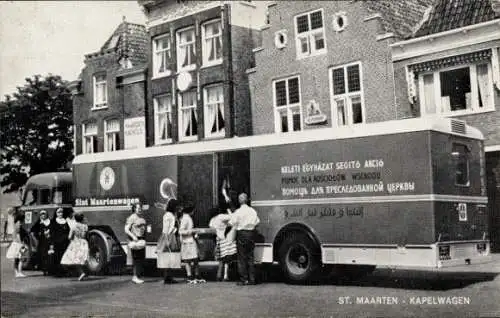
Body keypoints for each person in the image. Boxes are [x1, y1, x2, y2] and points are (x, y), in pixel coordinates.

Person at [229, 193, 260, 285]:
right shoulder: (252, 211)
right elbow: (257, 222)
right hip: (251, 234)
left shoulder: (238, 212)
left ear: (239, 201)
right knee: (250, 257)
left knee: (241, 258)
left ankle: (244, 279)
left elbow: (232, 223)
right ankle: (252, 279)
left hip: (241, 234)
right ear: (247, 200)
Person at [156, 199, 181, 284]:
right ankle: (167, 277)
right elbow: (166, 229)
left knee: (170, 257)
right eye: (176, 206)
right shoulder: (168, 215)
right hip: (169, 236)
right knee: (167, 256)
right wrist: (167, 240)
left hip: (170, 235)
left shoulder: (171, 214)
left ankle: (169, 277)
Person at [178, 205, 205, 284]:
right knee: (189, 260)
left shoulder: (187, 217)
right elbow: (181, 231)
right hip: (187, 241)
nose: (194, 212)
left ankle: (194, 276)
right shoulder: (186, 218)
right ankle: (191, 276)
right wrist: (192, 231)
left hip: (190, 241)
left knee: (194, 259)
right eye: (193, 210)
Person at [208, 207, 236, 281]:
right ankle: (225, 275)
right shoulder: (221, 217)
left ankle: (219, 275)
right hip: (225, 238)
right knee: (226, 259)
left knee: (221, 259)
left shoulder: (212, 220)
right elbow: (233, 216)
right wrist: (229, 210)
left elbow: (212, 230)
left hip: (218, 240)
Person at [60, 213, 89, 281]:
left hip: (76, 243)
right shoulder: (85, 226)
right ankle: (82, 272)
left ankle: (80, 273)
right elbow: (87, 235)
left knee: (71, 259)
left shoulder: (74, 226)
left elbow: (69, 237)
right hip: (84, 242)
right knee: (81, 258)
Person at [125, 203, 147, 284]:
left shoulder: (141, 217)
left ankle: (137, 276)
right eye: (138, 208)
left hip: (141, 240)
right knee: (136, 259)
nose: (139, 209)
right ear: (134, 209)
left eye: (140, 208)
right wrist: (133, 236)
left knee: (140, 258)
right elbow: (126, 229)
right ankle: (135, 276)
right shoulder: (132, 217)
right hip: (135, 240)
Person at [30, 210, 54, 275]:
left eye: (44, 214)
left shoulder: (51, 222)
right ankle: (44, 270)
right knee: (43, 256)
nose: (43, 215)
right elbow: (32, 231)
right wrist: (36, 238)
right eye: (41, 214)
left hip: (50, 241)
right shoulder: (39, 223)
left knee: (50, 255)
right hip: (42, 242)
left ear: (46, 215)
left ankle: (50, 269)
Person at [5, 212, 28, 278]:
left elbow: (14, 235)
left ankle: (16, 272)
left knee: (16, 259)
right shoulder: (19, 225)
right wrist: (23, 244)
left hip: (15, 244)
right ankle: (19, 272)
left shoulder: (15, 224)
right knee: (21, 259)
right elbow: (18, 236)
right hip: (18, 244)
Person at [51, 208, 70, 276]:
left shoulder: (65, 221)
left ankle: (64, 271)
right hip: (57, 241)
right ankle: (57, 272)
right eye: (59, 212)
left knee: (64, 256)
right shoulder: (54, 221)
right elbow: (52, 232)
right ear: (56, 213)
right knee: (57, 256)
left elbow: (68, 230)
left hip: (65, 242)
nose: (60, 214)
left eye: (61, 212)